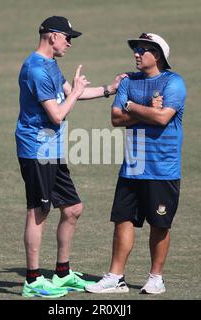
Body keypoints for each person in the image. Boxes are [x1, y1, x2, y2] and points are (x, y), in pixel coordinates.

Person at [15, 16, 126, 298]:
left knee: (73, 208)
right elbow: (58, 114)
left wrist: (107, 90)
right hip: (37, 150)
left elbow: (68, 93)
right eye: (67, 37)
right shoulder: (37, 70)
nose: (69, 43)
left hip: (52, 151)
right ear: (52, 36)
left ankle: (62, 274)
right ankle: (32, 280)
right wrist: (75, 93)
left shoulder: (51, 65)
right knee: (38, 212)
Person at [85, 33, 186, 294]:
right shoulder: (129, 80)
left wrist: (132, 105)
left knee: (160, 224)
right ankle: (115, 277)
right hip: (133, 165)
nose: (137, 54)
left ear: (159, 55)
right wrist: (146, 110)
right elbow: (116, 119)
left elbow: (163, 118)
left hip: (163, 167)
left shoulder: (174, 83)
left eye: (143, 50)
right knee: (123, 219)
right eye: (136, 49)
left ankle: (156, 278)